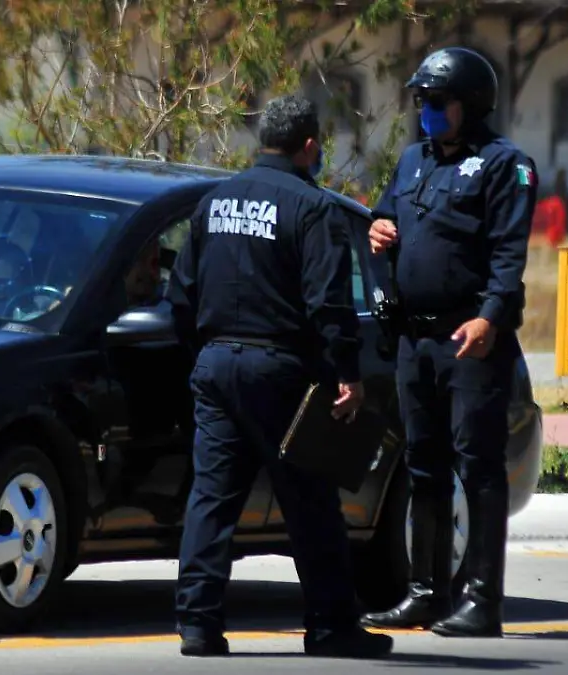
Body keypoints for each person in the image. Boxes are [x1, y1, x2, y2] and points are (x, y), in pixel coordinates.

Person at [167, 93, 394, 660]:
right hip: (282, 371)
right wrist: (349, 373)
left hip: (216, 365)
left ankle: (197, 624)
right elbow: (329, 303)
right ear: (310, 146)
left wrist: (205, 355)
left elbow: (181, 295)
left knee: (211, 499)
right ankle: (331, 625)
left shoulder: (214, 201)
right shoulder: (312, 208)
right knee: (311, 501)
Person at [359, 47, 538, 639]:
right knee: (424, 466)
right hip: (416, 339)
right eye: (422, 103)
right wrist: (378, 230)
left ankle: (483, 599)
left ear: (472, 104)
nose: (427, 113)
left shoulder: (504, 166)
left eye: (439, 102)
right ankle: (425, 592)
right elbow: (386, 222)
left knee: (478, 466)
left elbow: (509, 257)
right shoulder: (413, 161)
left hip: (471, 341)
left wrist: (490, 318)